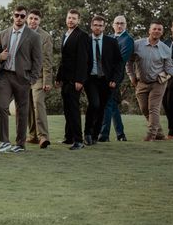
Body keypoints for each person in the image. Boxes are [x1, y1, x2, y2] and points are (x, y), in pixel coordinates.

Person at [126, 20, 173, 141]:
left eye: (159, 29)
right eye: (154, 29)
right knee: (144, 109)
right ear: (149, 30)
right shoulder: (137, 44)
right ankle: (159, 133)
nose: (157, 31)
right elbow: (129, 62)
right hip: (141, 82)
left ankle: (151, 135)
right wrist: (132, 76)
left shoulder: (168, 48)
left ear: (162, 32)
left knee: (154, 108)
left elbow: (170, 68)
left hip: (159, 82)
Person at [0, 6, 42, 153]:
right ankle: (4, 142)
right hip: (5, 76)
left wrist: (32, 79)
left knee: (22, 111)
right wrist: (0, 56)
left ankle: (20, 144)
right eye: (17, 15)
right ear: (13, 16)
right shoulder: (3, 33)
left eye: (22, 16)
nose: (19, 18)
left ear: (25, 17)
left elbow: (38, 60)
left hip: (23, 78)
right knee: (1, 106)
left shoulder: (33, 36)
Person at [82, 16, 122, 146]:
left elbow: (119, 63)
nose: (97, 27)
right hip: (90, 79)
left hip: (107, 80)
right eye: (95, 25)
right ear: (91, 26)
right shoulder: (85, 41)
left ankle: (95, 135)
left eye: (100, 25)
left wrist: (115, 80)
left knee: (102, 108)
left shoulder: (111, 42)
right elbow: (80, 61)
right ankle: (87, 133)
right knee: (94, 104)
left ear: (104, 27)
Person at [55, 9, 90, 150]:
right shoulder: (65, 35)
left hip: (75, 80)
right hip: (65, 78)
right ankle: (69, 137)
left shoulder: (82, 36)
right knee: (67, 109)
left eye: (74, 18)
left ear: (78, 21)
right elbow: (64, 60)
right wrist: (58, 77)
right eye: (69, 18)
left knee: (74, 110)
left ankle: (79, 141)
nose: (71, 20)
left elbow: (83, 59)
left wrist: (80, 80)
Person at [98, 15, 134, 142]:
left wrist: (113, 78)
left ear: (126, 25)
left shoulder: (127, 40)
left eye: (122, 23)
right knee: (112, 105)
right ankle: (121, 134)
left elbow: (121, 61)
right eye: (117, 23)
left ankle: (103, 135)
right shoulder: (109, 38)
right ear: (113, 25)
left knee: (107, 104)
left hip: (114, 77)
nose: (119, 25)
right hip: (103, 75)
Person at [26, 9, 53, 149]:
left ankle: (43, 137)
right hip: (24, 76)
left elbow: (48, 60)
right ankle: (32, 136)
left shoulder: (45, 37)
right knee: (28, 106)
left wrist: (47, 81)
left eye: (36, 19)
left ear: (39, 20)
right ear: (27, 19)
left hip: (39, 77)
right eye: (31, 18)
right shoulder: (21, 33)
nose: (33, 21)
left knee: (38, 103)